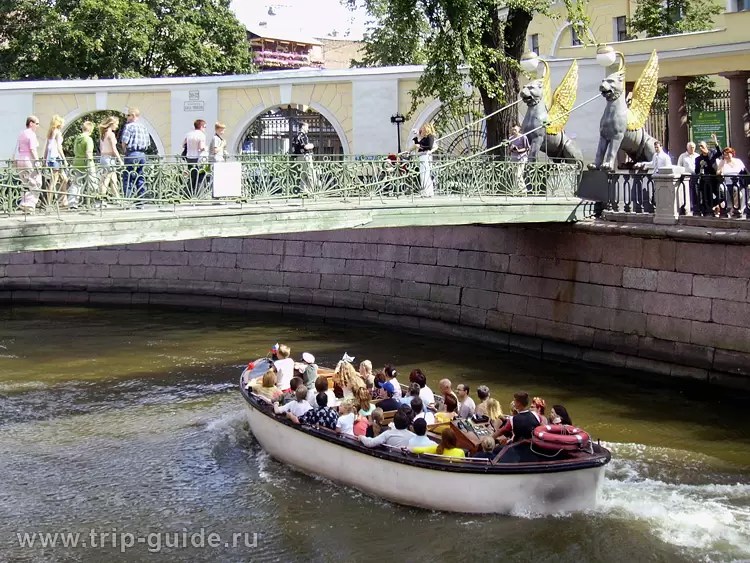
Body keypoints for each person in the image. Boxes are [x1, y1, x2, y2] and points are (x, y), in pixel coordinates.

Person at [120, 108, 150, 205]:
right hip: (142, 155)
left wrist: (125, 152)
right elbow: (148, 143)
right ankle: (141, 201)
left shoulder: (129, 127)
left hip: (132, 154)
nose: (127, 117)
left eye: (128, 115)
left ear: (133, 115)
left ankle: (127, 200)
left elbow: (124, 142)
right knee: (140, 176)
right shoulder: (144, 127)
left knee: (128, 177)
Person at [16, 115, 43, 213]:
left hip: (20, 160)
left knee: (26, 183)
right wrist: (37, 162)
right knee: (37, 182)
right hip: (29, 161)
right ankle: (29, 205)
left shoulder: (21, 133)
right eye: (37, 124)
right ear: (31, 123)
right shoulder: (31, 134)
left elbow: (19, 148)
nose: (38, 126)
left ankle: (24, 203)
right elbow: (32, 149)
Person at [70, 121, 96, 210]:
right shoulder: (88, 139)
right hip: (86, 162)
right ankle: (94, 202)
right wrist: (91, 163)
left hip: (77, 162)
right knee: (92, 182)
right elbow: (88, 152)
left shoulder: (77, 138)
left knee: (76, 183)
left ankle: (73, 203)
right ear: (90, 129)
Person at [694, 133, 722, 216]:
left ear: (706, 146)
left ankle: (711, 206)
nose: (701, 148)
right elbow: (696, 171)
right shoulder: (698, 159)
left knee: (721, 196)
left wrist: (716, 142)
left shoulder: (712, 153)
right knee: (706, 197)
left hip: (714, 179)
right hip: (704, 180)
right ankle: (707, 211)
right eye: (700, 146)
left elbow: (720, 153)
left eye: (702, 146)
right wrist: (700, 166)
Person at [44, 115, 69, 207]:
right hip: (56, 159)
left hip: (51, 159)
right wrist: (64, 159)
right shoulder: (57, 132)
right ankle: (49, 203)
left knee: (64, 179)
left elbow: (47, 148)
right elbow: (59, 147)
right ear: (59, 123)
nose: (63, 124)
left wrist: (44, 160)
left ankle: (63, 200)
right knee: (53, 182)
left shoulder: (50, 132)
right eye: (62, 123)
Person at [98, 116, 123, 204]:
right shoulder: (111, 134)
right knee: (106, 180)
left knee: (113, 180)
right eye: (116, 124)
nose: (117, 126)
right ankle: (101, 201)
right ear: (111, 124)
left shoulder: (103, 134)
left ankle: (117, 199)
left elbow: (101, 148)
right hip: (109, 159)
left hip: (104, 158)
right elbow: (114, 149)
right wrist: (120, 160)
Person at [716, 147, 747, 217]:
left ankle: (734, 210)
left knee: (743, 192)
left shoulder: (738, 161)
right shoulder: (722, 162)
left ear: (732, 154)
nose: (726, 156)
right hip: (728, 183)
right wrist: (721, 170)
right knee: (738, 194)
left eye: (727, 154)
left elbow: (744, 171)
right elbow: (717, 172)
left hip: (739, 182)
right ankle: (735, 210)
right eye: (724, 155)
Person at [183, 119, 208, 195]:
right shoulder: (201, 135)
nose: (205, 129)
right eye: (205, 127)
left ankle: (189, 193)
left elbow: (183, 145)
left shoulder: (189, 134)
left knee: (192, 176)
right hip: (198, 158)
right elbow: (201, 147)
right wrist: (206, 148)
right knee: (200, 176)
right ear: (201, 126)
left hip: (189, 157)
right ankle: (197, 193)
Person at [412, 122, 436, 197]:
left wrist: (420, 147)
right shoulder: (425, 137)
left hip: (425, 156)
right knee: (423, 174)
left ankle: (427, 192)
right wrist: (416, 138)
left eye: (424, 129)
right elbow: (419, 144)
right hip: (421, 156)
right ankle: (426, 191)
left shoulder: (430, 136)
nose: (422, 130)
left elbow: (429, 147)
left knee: (425, 174)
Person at [292, 122, 315, 194]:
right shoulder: (302, 135)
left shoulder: (296, 135)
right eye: (307, 127)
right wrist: (312, 145)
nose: (308, 129)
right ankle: (311, 191)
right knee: (309, 173)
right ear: (303, 127)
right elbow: (306, 146)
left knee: (303, 174)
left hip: (299, 157)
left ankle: (303, 190)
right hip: (305, 157)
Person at [677, 142, 698, 213]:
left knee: (695, 192)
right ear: (687, 147)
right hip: (685, 178)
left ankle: (695, 207)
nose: (692, 149)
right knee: (686, 192)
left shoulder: (697, 156)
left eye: (693, 147)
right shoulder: (682, 156)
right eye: (691, 147)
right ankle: (686, 207)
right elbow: (679, 166)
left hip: (695, 177)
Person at [508, 124, 529, 194]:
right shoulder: (511, 138)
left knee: (518, 174)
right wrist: (511, 149)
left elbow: (527, 148)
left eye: (515, 130)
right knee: (514, 175)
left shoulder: (523, 137)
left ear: (519, 129)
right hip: (513, 157)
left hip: (521, 158)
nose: (514, 131)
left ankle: (523, 190)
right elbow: (509, 148)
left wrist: (519, 150)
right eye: (513, 130)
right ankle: (517, 190)